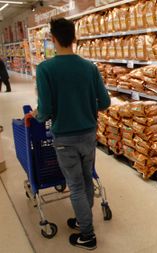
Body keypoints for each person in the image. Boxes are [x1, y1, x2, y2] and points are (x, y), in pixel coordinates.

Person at [33, 18, 110, 250]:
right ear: (74, 39)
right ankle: (81, 219)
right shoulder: (90, 68)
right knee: (87, 180)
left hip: (64, 138)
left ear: (53, 39)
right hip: (88, 134)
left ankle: (87, 235)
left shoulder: (46, 69)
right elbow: (105, 102)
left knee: (75, 185)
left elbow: (45, 110)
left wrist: (36, 116)